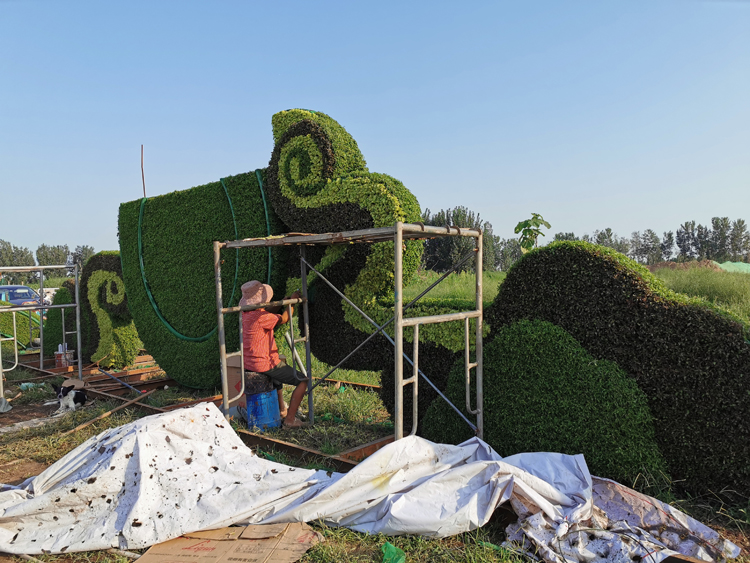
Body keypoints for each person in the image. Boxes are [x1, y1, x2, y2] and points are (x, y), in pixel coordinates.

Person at [240, 280, 306, 428]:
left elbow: (269, 311)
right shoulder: (262, 317)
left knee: (276, 376)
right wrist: (292, 304)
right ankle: (290, 420)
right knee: (303, 380)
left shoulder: (246, 313)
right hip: (264, 363)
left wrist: (283, 302)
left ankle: (282, 409)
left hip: (250, 362)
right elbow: (283, 319)